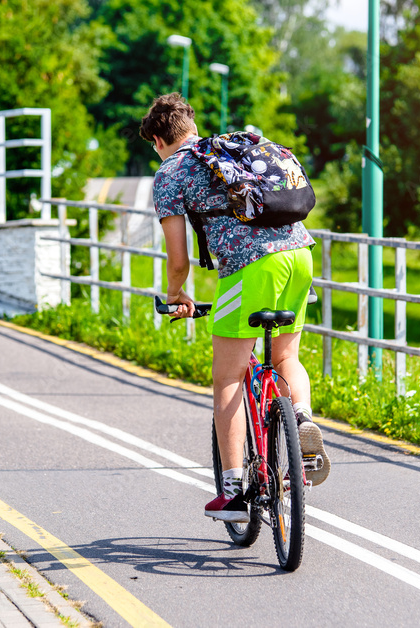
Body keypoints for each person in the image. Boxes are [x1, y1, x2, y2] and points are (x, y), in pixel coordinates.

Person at [139, 93, 330, 524]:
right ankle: (300, 424)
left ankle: (232, 493)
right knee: (285, 358)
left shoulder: (171, 172)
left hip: (250, 267)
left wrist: (176, 295)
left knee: (227, 377)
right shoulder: (229, 151)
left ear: (157, 139)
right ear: (191, 126)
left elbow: (178, 259)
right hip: (300, 256)